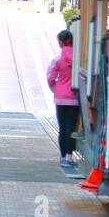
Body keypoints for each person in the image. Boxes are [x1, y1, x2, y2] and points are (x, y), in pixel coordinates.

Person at [47, 30, 79, 167]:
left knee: (62, 128)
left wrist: (56, 89)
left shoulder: (57, 59)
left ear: (61, 43)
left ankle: (62, 156)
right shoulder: (79, 59)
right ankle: (69, 157)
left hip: (60, 98)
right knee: (71, 128)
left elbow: (50, 78)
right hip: (74, 98)